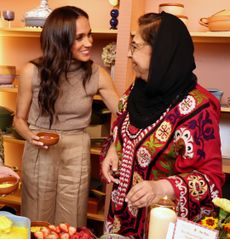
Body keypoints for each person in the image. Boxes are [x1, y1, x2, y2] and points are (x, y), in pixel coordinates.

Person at [101, 12, 225, 238]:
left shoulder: (198, 108)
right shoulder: (137, 90)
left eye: (135, 46)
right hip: (122, 220)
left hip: (163, 226)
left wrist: (161, 188)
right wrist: (112, 150)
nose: (129, 54)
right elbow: (121, 127)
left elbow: (211, 180)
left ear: (161, 53)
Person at [14, 6, 119, 227]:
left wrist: (113, 147)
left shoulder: (97, 74)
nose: (89, 42)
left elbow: (123, 115)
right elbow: (19, 120)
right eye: (80, 37)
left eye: (89, 34)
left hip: (76, 151)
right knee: (37, 218)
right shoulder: (31, 72)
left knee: (71, 219)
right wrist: (30, 136)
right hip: (40, 148)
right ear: (60, 39)